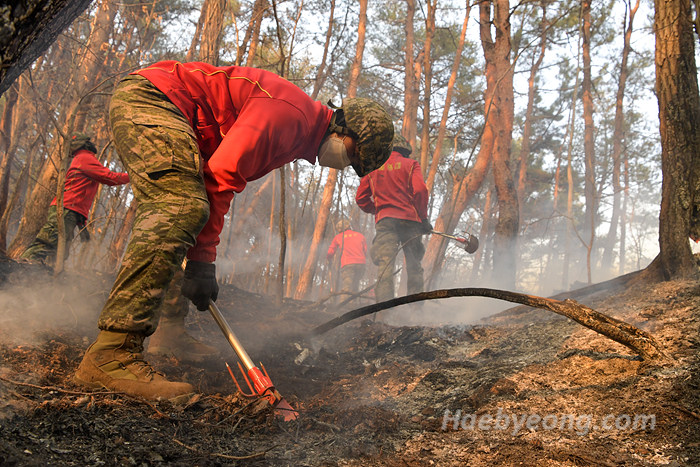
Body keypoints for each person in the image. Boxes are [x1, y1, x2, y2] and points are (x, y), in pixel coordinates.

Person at [74, 61, 394, 401]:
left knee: (187, 205)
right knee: (182, 205)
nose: (344, 164)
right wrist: (202, 263)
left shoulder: (299, 130)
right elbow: (220, 179)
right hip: (155, 98)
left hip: (172, 109)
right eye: (351, 154)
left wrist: (200, 256)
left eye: (353, 166)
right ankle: (112, 353)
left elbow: (217, 171)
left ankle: (169, 329)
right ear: (342, 127)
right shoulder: (290, 116)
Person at [21, 134, 130, 265]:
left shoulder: (82, 158)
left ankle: (45, 278)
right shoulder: (85, 158)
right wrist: (133, 176)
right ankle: (20, 268)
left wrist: (80, 218)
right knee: (47, 242)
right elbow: (111, 177)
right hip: (67, 208)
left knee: (60, 252)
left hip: (70, 210)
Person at [355, 133, 430, 303]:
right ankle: (416, 310)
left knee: (385, 264)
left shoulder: (373, 168)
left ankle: (384, 311)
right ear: (404, 149)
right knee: (414, 265)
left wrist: (377, 210)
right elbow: (420, 190)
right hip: (411, 221)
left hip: (386, 222)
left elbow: (360, 198)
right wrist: (423, 219)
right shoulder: (411, 164)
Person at [326, 219, 367, 304]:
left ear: (340, 229)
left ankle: (343, 307)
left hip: (348, 264)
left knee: (347, 287)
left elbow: (330, 252)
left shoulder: (338, 237)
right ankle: (353, 306)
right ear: (348, 226)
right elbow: (365, 251)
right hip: (361, 264)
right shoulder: (360, 236)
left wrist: (328, 259)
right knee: (355, 286)